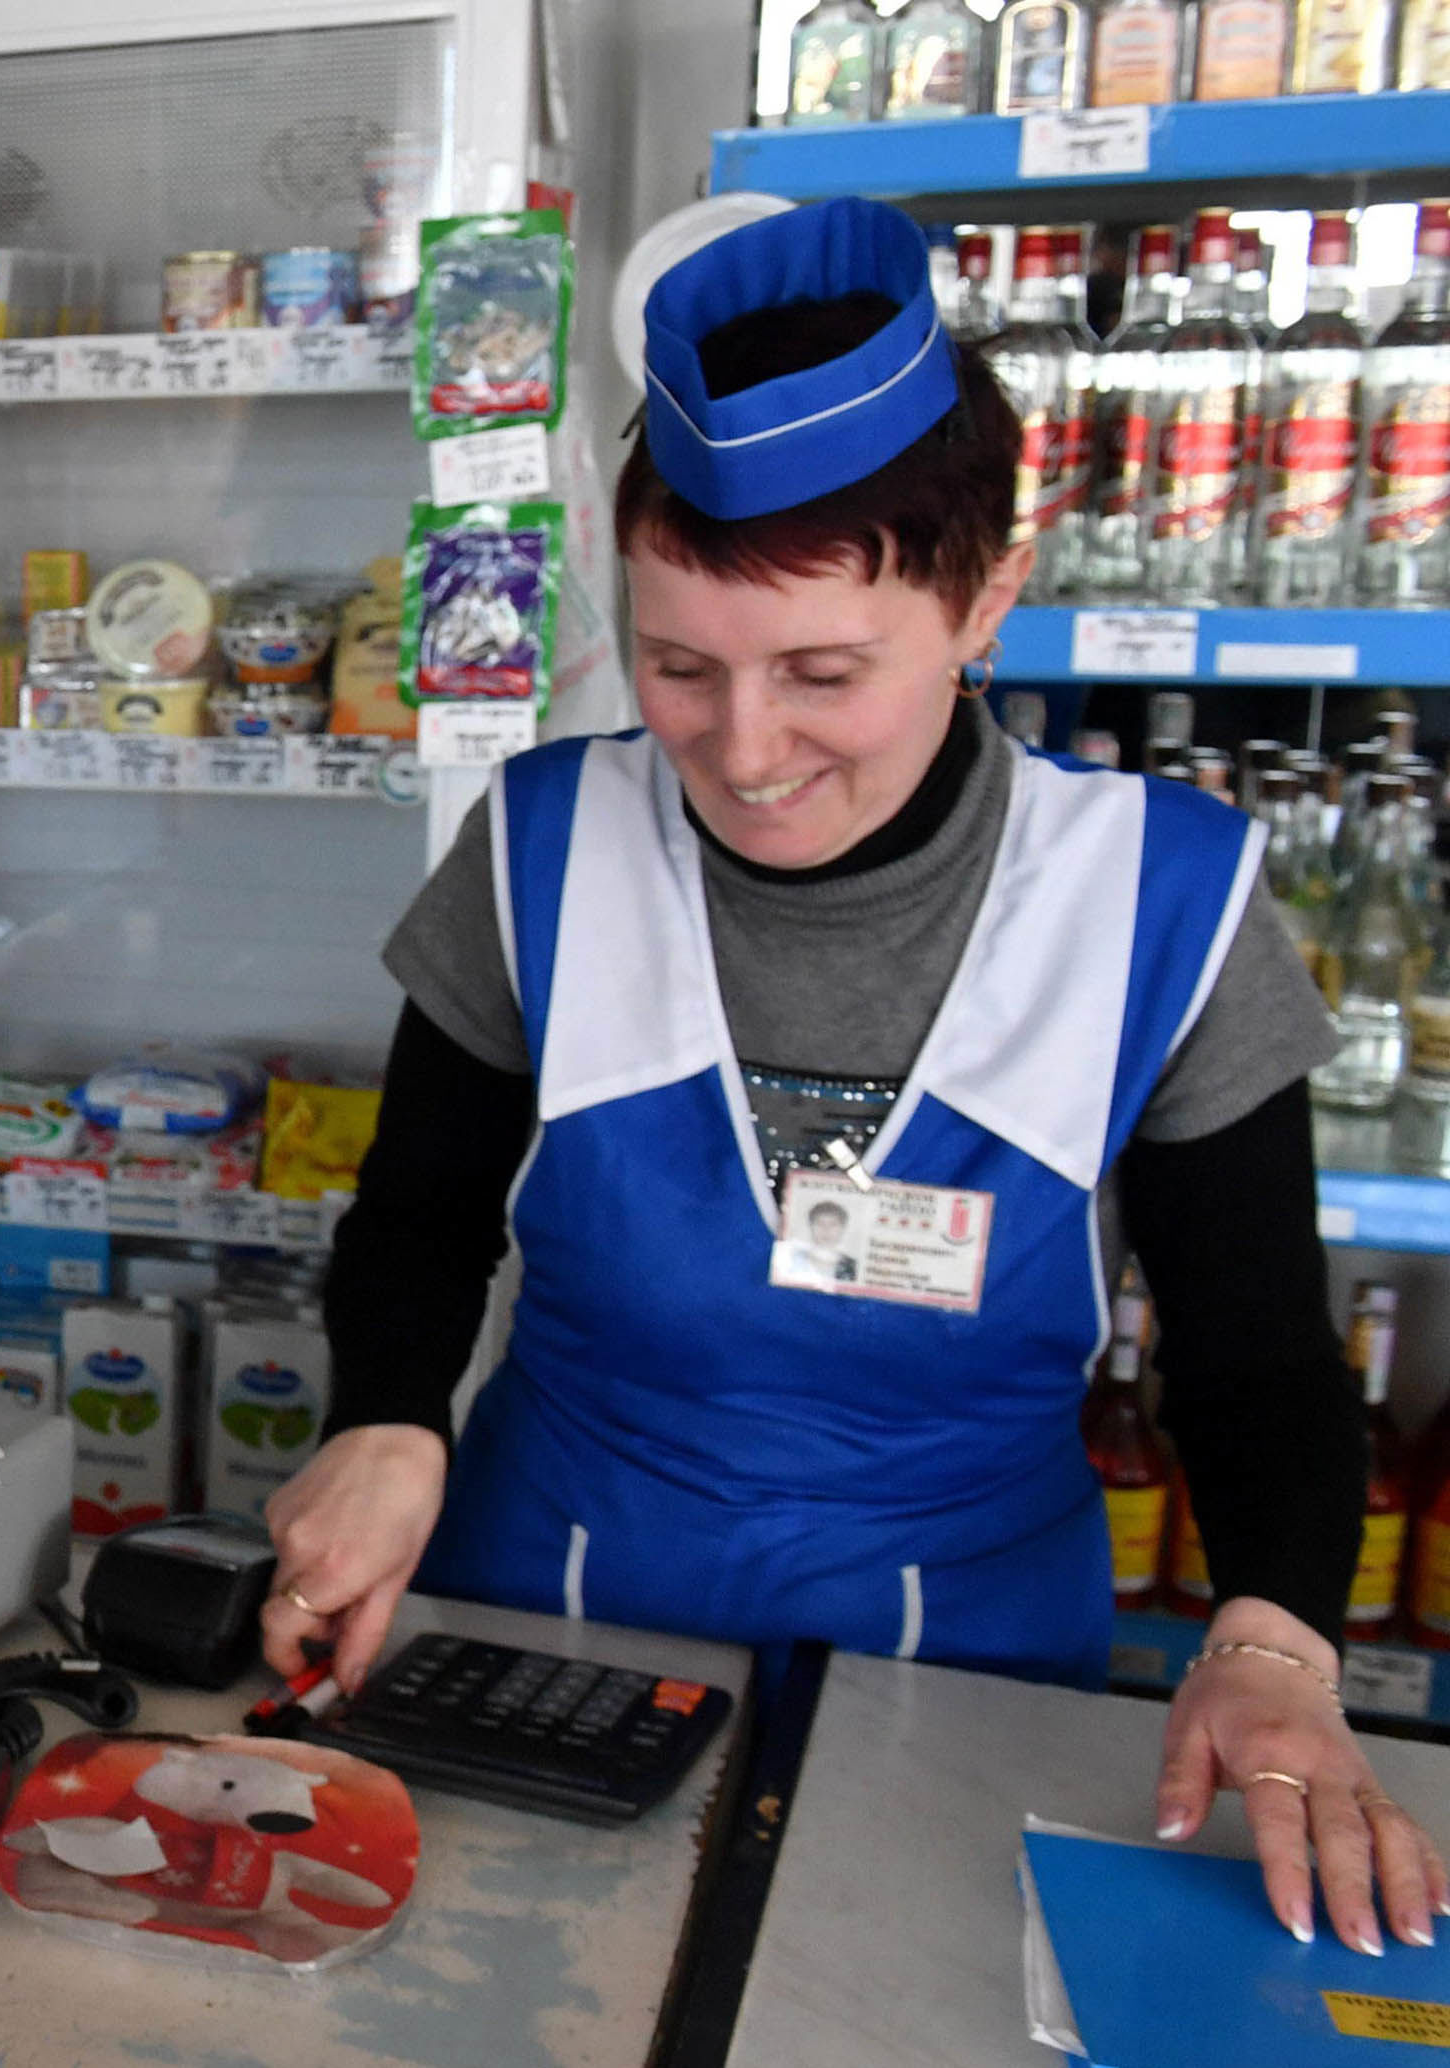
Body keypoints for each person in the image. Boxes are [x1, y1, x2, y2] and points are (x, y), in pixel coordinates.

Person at [256, 197, 1440, 1959]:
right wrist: (387, 1418)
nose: (744, 752)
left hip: (963, 1668)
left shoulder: (1158, 903)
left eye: (823, 673)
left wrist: (1274, 1642)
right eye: (678, 666)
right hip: (544, 1626)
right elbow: (422, 1213)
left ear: (988, 601)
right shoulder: (545, 847)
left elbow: (1260, 1357)